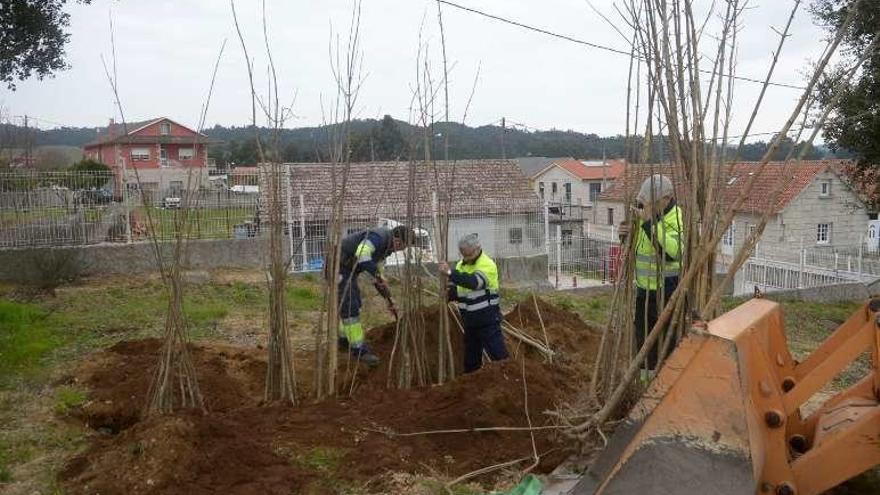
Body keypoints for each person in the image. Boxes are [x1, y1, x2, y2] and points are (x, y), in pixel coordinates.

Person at [622, 174, 683, 380]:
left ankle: (666, 380)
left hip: (666, 290)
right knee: (643, 339)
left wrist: (649, 223)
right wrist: (626, 234)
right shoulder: (646, 214)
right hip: (643, 289)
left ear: (666, 199)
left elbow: (672, 253)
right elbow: (637, 246)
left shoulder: (677, 218)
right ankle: (644, 381)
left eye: (652, 203)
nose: (647, 207)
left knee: (664, 341)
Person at [337, 224, 415, 366]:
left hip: (349, 270)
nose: (401, 251)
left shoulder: (385, 249)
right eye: (403, 247)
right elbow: (362, 254)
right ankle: (359, 351)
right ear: (398, 241)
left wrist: (388, 299)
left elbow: (375, 278)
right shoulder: (378, 237)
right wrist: (377, 274)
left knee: (352, 305)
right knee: (350, 306)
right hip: (337, 266)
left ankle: (343, 341)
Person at [439, 234, 509, 373]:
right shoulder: (461, 265)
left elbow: (474, 282)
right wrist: (450, 293)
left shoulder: (487, 264)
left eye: (469, 255)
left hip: (487, 320)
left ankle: (508, 379)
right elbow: (461, 290)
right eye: (464, 255)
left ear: (478, 249)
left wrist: (449, 272)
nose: (466, 258)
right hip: (470, 322)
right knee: (471, 361)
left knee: (499, 356)